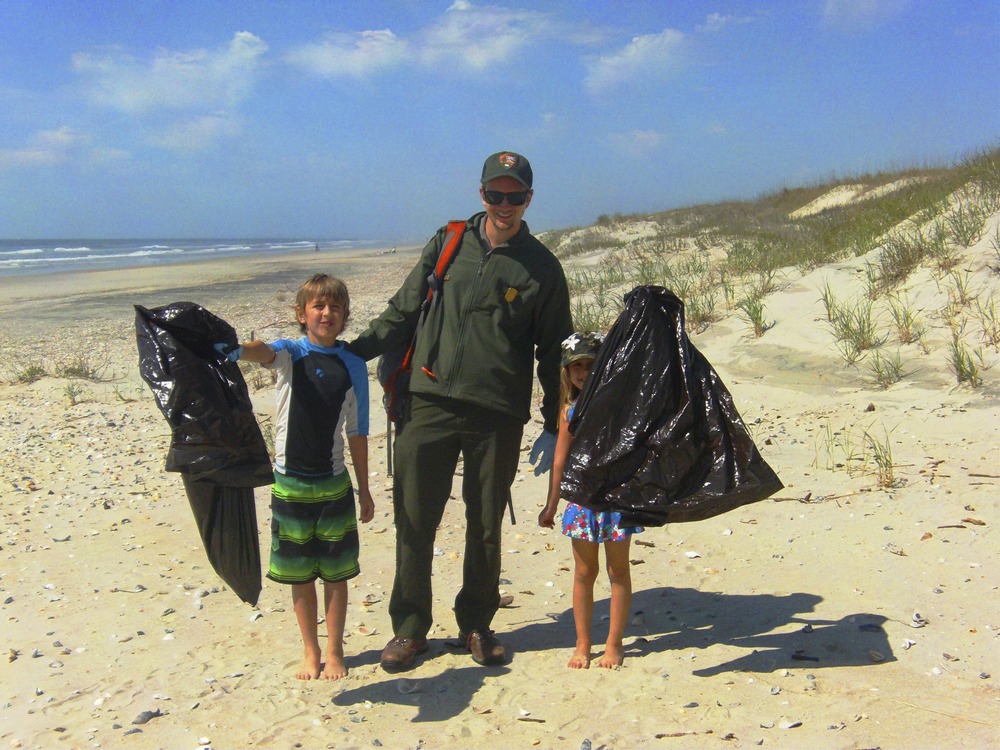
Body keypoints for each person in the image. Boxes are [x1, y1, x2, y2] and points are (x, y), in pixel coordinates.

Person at [347, 151, 573, 671]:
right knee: (414, 518)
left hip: (496, 411)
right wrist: (350, 352)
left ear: (529, 199)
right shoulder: (448, 242)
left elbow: (554, 350)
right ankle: (409, 630)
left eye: (515, 196)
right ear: (482, 194)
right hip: (426, 403)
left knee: (485, 524)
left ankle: (476, 624)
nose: (505, 204)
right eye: (496, 194)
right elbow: (403, 311)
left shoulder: (542, 267)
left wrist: (554, 419)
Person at [216, 273, 375, 680]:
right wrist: (234, 350)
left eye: (335, 307)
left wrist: (366, 490)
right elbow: (263, 351)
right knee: (299, 574)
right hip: (289, 484)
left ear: (345, 316)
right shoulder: (292, 353)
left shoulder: (353, 365)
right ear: (302, 314)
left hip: (334, 483)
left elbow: (357, 432)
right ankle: (310, 651)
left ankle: (336, 651)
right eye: (318, 306)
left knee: (336, 574)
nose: (327, 313)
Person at [538, 331, 644, 669]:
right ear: (567, 372)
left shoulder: (619, 404)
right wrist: (552, 503)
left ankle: (614, 643)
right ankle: (583, 643)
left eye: (590, 365)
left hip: (616, 500)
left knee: (618, 571)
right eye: (577, 366)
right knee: (584, 572)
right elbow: (559, 458)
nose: (583, 372)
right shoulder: (569, 410)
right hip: (582, 501)